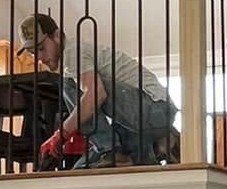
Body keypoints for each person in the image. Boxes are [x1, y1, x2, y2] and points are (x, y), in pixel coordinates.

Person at [18, 11, 180, 165]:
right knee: (86, 166)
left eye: (41, 48)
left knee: (70, 84)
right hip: (143, 119)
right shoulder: (74, 57)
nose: (39, 57)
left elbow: (96, 93)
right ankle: (159, 144)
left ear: (58, 36)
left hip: (154, 108)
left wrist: (61, 133)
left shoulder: (72, 53)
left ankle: (110, 149)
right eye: (33, 52)